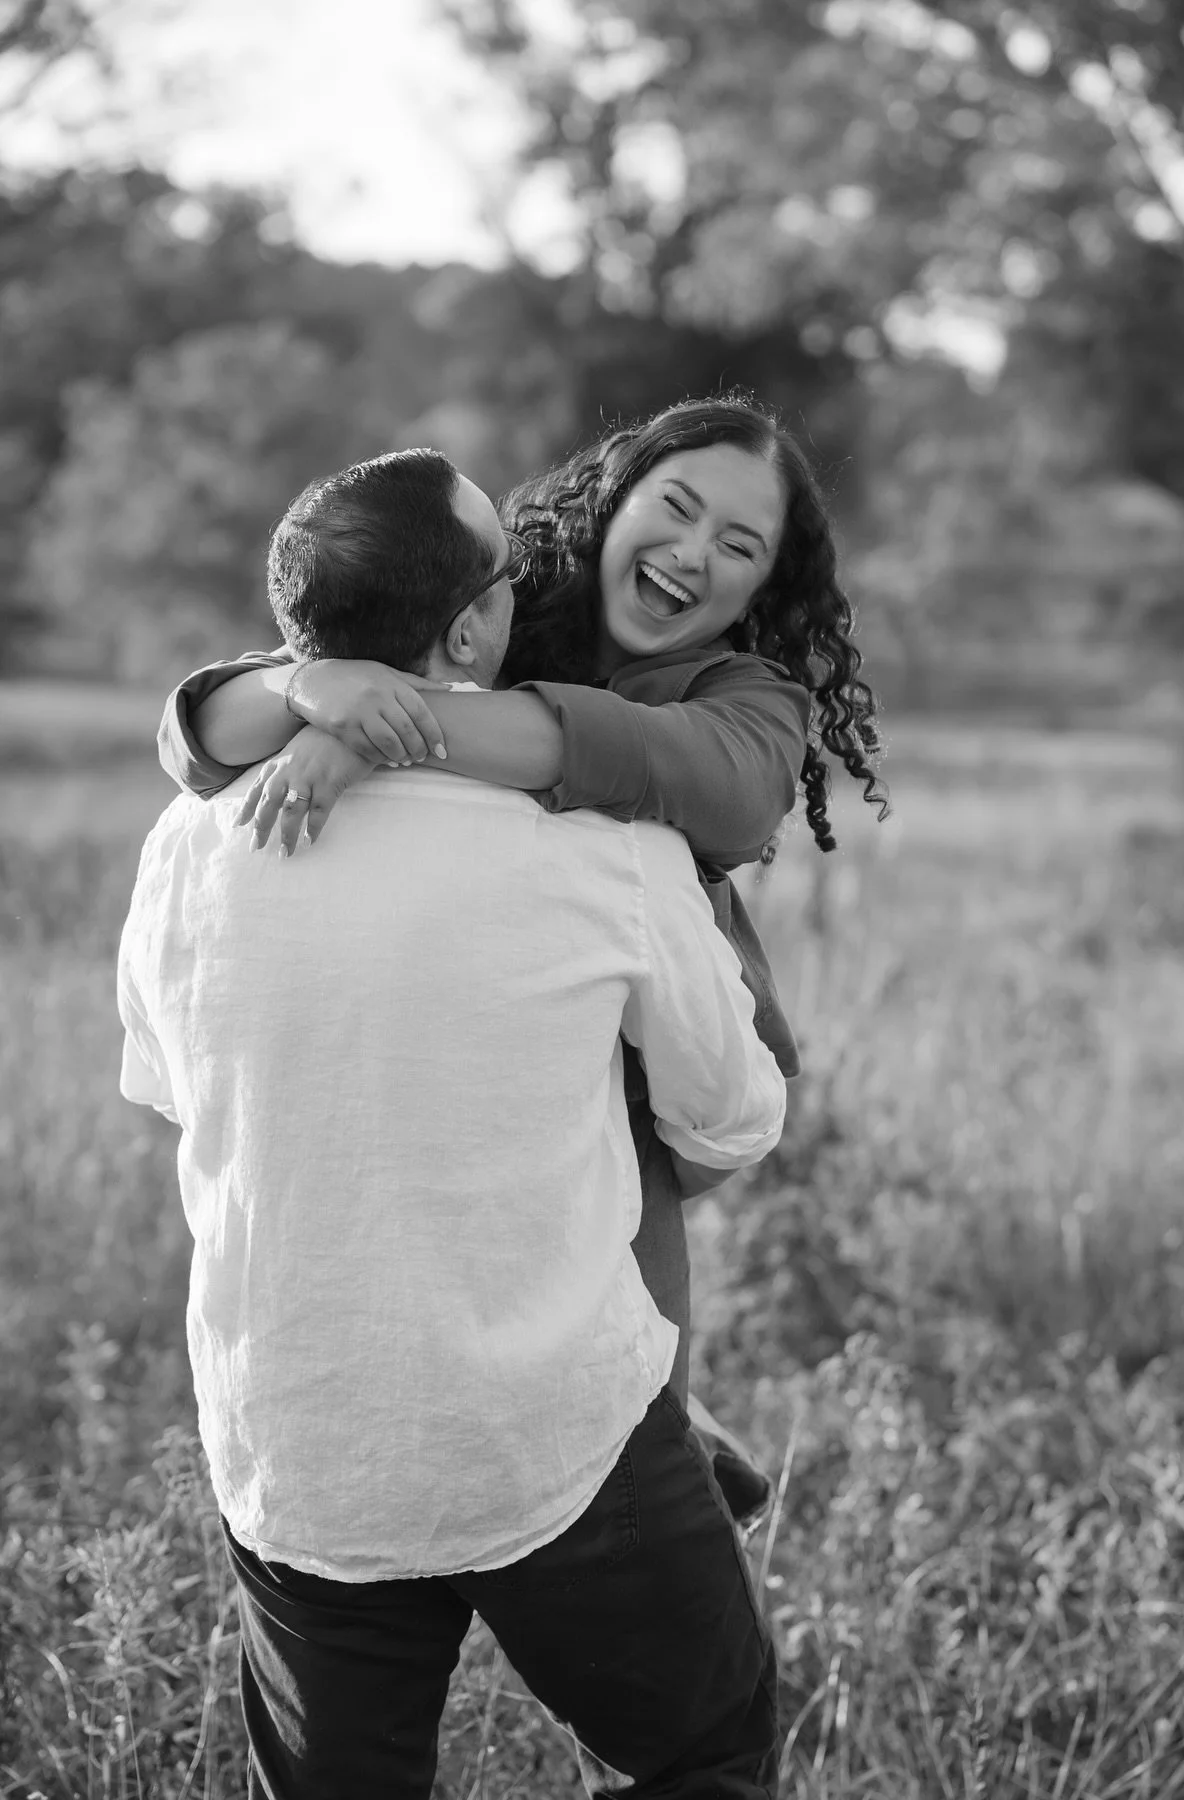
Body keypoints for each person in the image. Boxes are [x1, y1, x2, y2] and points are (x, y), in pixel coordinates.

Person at [118, 447, 788, 1799]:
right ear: (478, 623)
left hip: (301, 1438)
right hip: (551, 1429)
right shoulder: (607, 850)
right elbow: (732, 1121)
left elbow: (175, 1087)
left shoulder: (187, 844)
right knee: (701, 1755)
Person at [157, 394, 887, 1442]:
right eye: (674, 506)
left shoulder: (748, 697)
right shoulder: (496, 600)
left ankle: (662, 1458)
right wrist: (317, 682)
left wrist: (384, 729)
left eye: (739, 545)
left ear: (766, 582)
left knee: (619, 1415)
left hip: (622, 1085)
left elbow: (691, 776)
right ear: (614, 493)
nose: (692, 553)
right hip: (424, 1044)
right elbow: (195, 738)